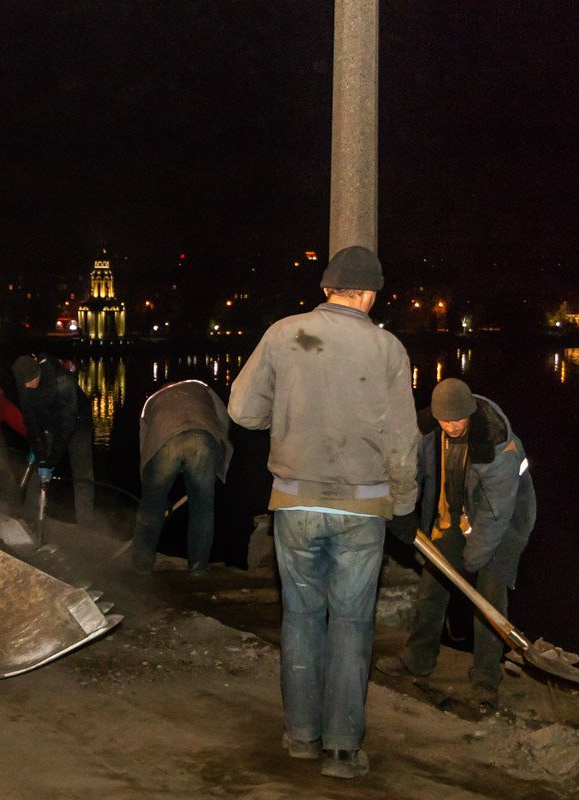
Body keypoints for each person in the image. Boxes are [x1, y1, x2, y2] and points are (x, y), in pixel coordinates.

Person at [227, 245, 419, 780]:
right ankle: (341, 748)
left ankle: (301, 737)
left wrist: (285, 418)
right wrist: (403, 503)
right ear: (371, 292)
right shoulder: (387, 348)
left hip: (294, 500)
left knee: (301, 618)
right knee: (353, 625)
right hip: (362, 506)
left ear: (327, 287)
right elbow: (404, 440)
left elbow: (242, 410)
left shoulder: (284, 334)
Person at [376, 378, 536, 710]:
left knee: (488, 600)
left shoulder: (497, 446)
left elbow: (494, 516)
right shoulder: (425, 432)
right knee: (431, 586)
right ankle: (418, 657)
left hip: (501, 524)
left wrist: (471, 562)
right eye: (443, 420)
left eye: (457, 420)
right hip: (456, 515)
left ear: (470, 413)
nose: (450, 426)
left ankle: (485, 678)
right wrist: (401, 511)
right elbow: (408, 474)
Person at [131, 380, 233, 576]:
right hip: (203, 439)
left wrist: (154, 495)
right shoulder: (201, 387)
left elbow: (146, 449)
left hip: (164, 442)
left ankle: (141, 567)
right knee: (202, 509)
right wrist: (217, 464)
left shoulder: (150, 403)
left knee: (150, 508)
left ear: (162, 390)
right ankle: (198, 568)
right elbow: (223, 420)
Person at [13, 353, 95, 526]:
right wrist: (38, 449)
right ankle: (29, 516)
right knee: (39, 467)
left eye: (31, 381)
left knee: (82, 473)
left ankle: (85, 524)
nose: (28, 386)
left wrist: (51, 462)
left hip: (78, 424)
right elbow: (31, 420)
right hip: (49, 421)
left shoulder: (63, 382)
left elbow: (67, 426)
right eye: (24, 384)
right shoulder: (25, 384)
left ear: (38, 373)